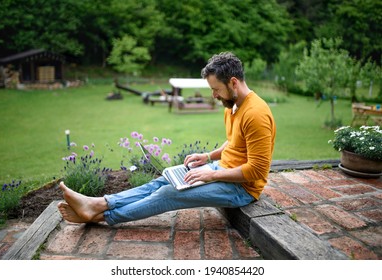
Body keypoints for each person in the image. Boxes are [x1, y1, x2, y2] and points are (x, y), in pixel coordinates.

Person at [58, 52, 276, 225]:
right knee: (165, 179)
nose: (214, 96)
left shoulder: (256, 113)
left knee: (168, 194)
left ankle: (100, 217)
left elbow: (257, 171)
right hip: (222, 169)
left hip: (242, 189)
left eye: (216, 89)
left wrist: (210, 176)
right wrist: (208, 156)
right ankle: (100, 203)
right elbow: (235, 141)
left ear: (233, 82)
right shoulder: (233, 104)